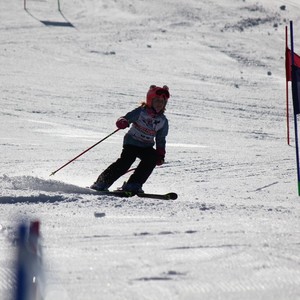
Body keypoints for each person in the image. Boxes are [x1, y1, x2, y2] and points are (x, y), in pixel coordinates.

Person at [90, 84, 170, 193]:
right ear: (150, 101)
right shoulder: (141, 112)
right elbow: (126, 118)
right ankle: (102, 182)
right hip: (132, 143)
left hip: (146, 146)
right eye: (157, 101)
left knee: (151, 159)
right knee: (125, 162)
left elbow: (161, 139)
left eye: (162, 102)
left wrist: (160, 154)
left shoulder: (163, 121)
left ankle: (133, 184)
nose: (159, 104)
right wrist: (123, 122)